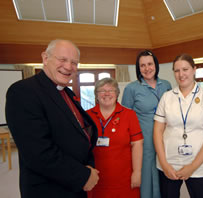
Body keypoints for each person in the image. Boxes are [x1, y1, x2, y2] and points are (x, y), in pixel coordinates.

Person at [5, 39, 99, 198]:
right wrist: (82, 176)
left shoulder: (66, 92)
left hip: (75, 186)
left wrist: (88, 167)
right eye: (62, 60)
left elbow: (81, 131)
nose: (69, 67)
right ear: (45, 58)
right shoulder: (23, 91)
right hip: (49, 189)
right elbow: (37, 153)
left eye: (74, 62)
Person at [153, 54, 203, 198]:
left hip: (200, 166)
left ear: (194, 69)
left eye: (185, 69)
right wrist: (164, 164)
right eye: (177, 71)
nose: (181, 74)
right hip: (169, 164)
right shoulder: (167, 97)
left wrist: (192, 167)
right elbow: (158, 131)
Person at [121, 50, 171, 198]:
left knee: (165, 176)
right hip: (144, 142)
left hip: (166, 139)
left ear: (155, 65)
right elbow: (125, 118)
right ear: (138, 68)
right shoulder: (131, 88)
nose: (147, 68)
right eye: (142, 65)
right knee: (147, 178)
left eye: (150, 64)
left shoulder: (166, 85)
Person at [87, 78, 144, 198]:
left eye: (111, 90)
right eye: (102, 91)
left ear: (117, 94)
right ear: (96, 95)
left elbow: (137, 144)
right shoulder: (87, 116)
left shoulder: (129, 115)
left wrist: (137, 172)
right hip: (94, 179)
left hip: (125, 180)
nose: (106, 94)